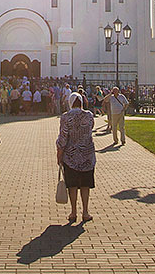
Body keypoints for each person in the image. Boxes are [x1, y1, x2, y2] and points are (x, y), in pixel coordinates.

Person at [56, 92, 96, 223]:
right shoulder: (89, 115)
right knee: (85, 185)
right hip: (87, 156)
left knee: (72, 185)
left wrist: (59, 153)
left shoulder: (66, 117)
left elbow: (63, 138)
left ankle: (73, 212)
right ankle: (85, 212)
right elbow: (91, 128)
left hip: (71, 156)